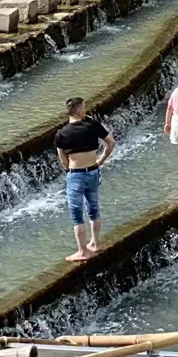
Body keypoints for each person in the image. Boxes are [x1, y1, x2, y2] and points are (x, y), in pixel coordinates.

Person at [54, 96, 115, 263]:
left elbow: (63, 160)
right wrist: (100, 161)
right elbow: (110, 142)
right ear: (79, 111)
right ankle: (95, 244)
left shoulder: (61, 134)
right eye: (85, 108)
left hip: (76, 174)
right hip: (93, 171)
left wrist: (70, 169)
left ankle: (82, 251)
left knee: (76, 214)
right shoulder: (93, 125)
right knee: (93, 208)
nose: (87, 111)